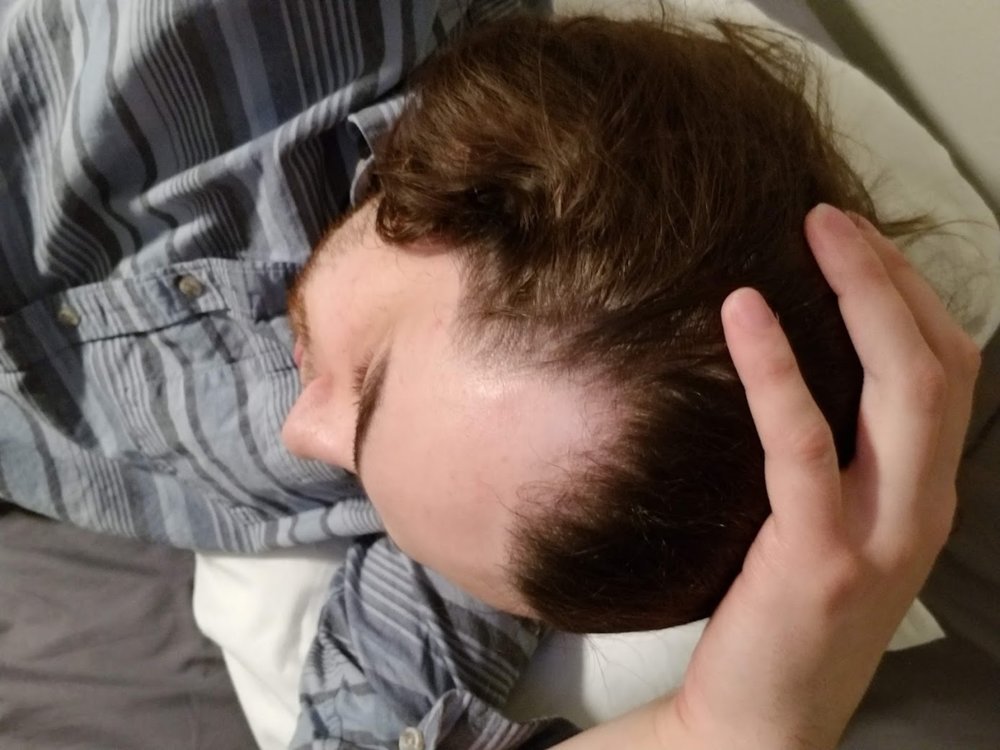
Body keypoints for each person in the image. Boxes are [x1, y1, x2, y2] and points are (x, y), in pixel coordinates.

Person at [0, 1, 982, 748]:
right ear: (460, 174)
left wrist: (731, 725)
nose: (303, 440)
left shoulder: (518, 496)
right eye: (366, 388)